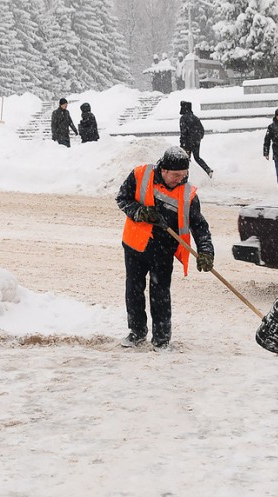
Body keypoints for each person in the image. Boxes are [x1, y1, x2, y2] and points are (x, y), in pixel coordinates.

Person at [116, 146, 214, 352]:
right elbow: (122, 199)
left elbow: (199, 226)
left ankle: (161, 338)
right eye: (176, 175)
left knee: (160, 295)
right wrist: (140, 212)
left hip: (163, 251)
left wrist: (206, 251)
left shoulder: (188, 194)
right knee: (133, 291)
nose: (180, 179)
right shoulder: (140, 175)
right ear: (164, 170)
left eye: (184, 175)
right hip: (135, 246)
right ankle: (137, 332)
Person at [179, 101, 213, 178]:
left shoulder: (183, 118)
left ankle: (185, 177)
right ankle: (207, 169)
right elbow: (202, 130)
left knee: (185, 160)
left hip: (187, 143)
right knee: (197, 157)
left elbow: (183, 132)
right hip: (196, 142)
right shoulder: (195, 118)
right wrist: (198, 138)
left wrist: (182, 143)